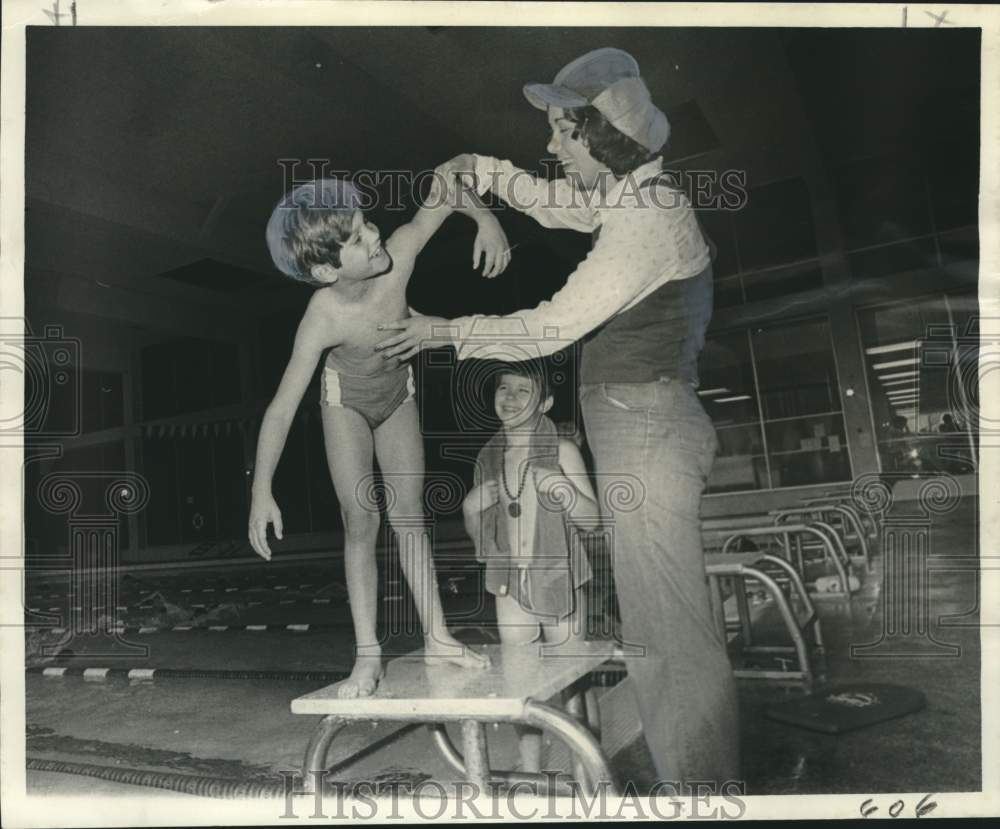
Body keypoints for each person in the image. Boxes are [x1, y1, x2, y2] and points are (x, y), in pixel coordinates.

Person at [376, 47, 740, 785]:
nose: (549, 147)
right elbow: (552, 202)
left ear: (596, 136)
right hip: (644, 425)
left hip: (649, 429)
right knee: (656, 627)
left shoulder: (647, 217)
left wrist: (442, 330)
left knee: (668, 634)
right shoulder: (629, 196)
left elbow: (550, 327)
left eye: (559, 133)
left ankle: (703, 795)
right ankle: (693, 780)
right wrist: (479, 169)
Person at [249, 172, 506, 697]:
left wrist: (485, 218)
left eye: (368, 223)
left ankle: (438, 636)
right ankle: (367, 656)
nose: (376, 236)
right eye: (360, 239)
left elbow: (445, 187)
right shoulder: (322, 316)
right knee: (361, 518)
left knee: (410, 515)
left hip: (397, 395)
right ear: (325, 269)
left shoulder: (399, 258)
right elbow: (281, 408)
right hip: (346, 402)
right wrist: (260, 491)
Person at [463, 360, 598, 772]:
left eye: (524, 391)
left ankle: (587, 767)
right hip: (511, 584)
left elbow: (592, 521)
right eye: (504, 389)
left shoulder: (563, 451)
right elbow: (481, 540)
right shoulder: (488, 458)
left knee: (574, 678)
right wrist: (470, 509)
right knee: (523, 684)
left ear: (546, 402)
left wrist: (568, 495)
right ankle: (530, 771)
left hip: (560, 575)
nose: (511, 398)